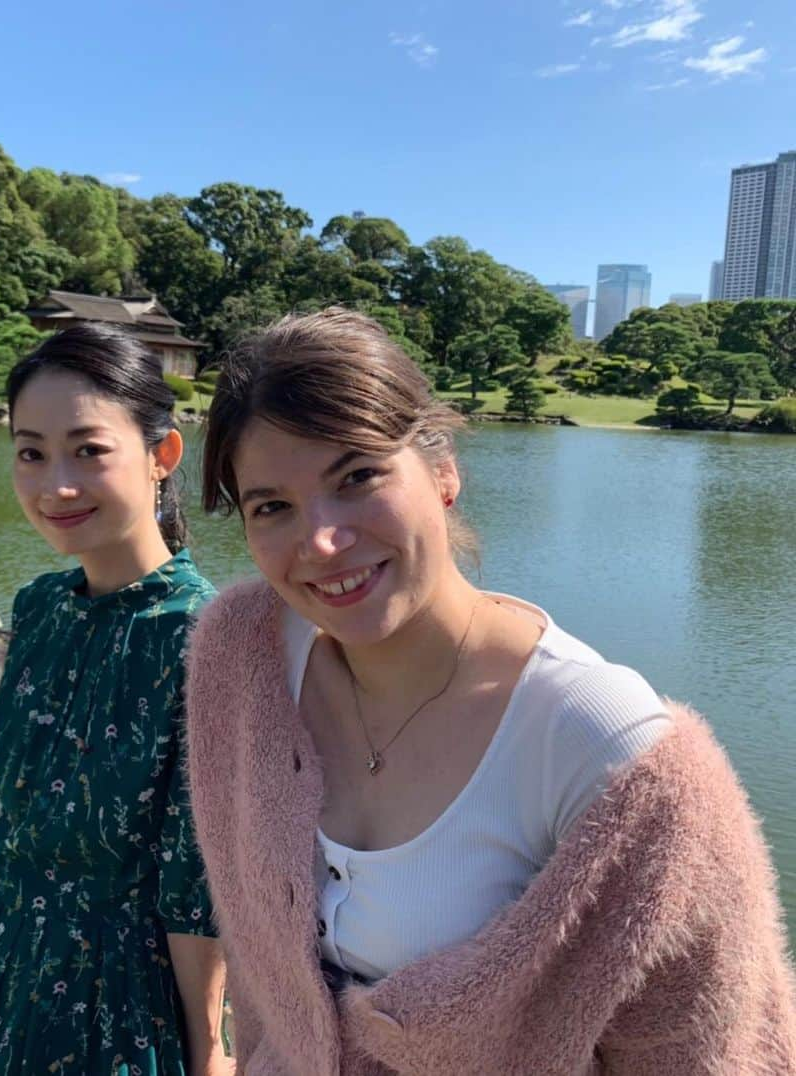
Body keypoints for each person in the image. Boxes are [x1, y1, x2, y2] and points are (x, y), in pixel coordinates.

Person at [184, 308, 796, 1075]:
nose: (322, 541)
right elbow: (262, 975)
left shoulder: (607, 746)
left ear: (442, 472)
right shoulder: (247, 657)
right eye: (272, 506)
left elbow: (710, 1050)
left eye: (358, 476)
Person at [0, 324, 230, 1076]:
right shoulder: (42, 606)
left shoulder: (205, 636)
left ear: (162, 456)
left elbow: (193, 881)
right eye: (31, 452)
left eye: (89, 450)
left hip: (111, 999)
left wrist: (209, 1049)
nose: (56, 485)